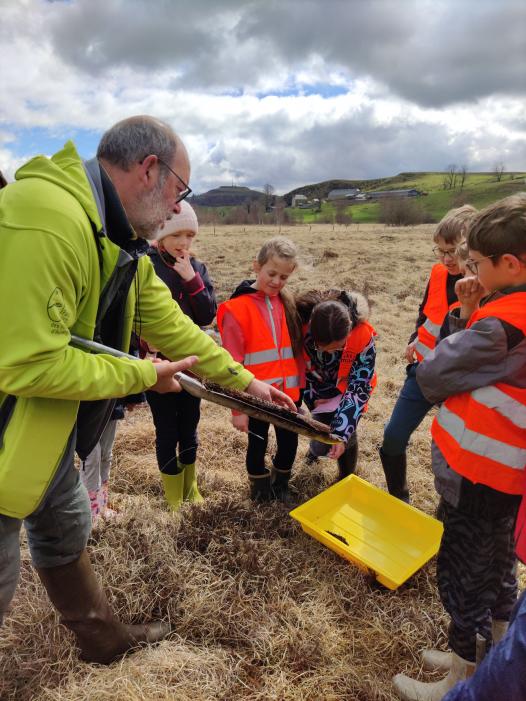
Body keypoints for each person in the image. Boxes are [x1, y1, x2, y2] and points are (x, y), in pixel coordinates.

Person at [0, 116, 296, 665]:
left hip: (41, 434)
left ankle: (105, 641)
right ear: (148, 171)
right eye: (178, 194)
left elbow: (173, 327)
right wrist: (143, 375)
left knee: (65, 527)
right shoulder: (49, 219)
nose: (173, 212)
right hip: (7, 428)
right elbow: (30, 365)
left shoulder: (119, 240)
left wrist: (247, 381)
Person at [393, 193, 526, 700]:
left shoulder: (500, 326)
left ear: (508, 264)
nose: (469, 270)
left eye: (478, 264)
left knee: (463, 574)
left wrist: (465, 314)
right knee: (497, 565)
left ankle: (461, 673)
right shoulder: (508, 311)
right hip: (506, 473)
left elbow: (437, 370)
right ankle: (492, 646)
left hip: (479, 469)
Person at [379, 206, 477, 502]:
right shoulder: (437, 273)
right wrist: (414, 338)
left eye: (452, 251)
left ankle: (448, 513)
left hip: (460, 381)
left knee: (455, 453)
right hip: (423, 370)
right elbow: (426, 314)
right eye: (440, 251)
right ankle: (399, 498)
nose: (446, 259)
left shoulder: (488, 286)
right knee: (393, 438)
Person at [217, 237, 304, 502]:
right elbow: (231, 365)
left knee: (289, 444)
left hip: (288, 395)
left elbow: (297, 353)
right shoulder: (236, 310)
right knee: (258, 444)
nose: (277, 282)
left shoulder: (288, 305)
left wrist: (302, 393)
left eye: (284, 277)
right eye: (272, 274)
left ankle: (281, 485)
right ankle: (260, 490)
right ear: (256, 266)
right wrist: (237, 410)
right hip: (255, 396)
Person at [145, 201, 216, 509]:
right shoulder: (146, 265)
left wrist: (191, 279)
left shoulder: (196, 268)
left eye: (189, 235)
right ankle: (174, 496)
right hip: (160, 364)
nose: (184, 243)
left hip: (192, 364)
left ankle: (190, 486)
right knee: (167, 429)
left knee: (190, 426)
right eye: (177, 235)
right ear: (161, 233)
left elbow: (207, 315)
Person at [296, 289, 376, 479]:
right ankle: (315, 452)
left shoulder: (363, 337)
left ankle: (346, 477)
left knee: (347, 431)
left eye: (337, 348)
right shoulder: (300, 323)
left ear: (349, 331)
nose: (326, 351)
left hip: (347, 386)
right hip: (315, 383)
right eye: (320, 346)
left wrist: (341, 434)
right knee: (319, 425)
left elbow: (359, 386)